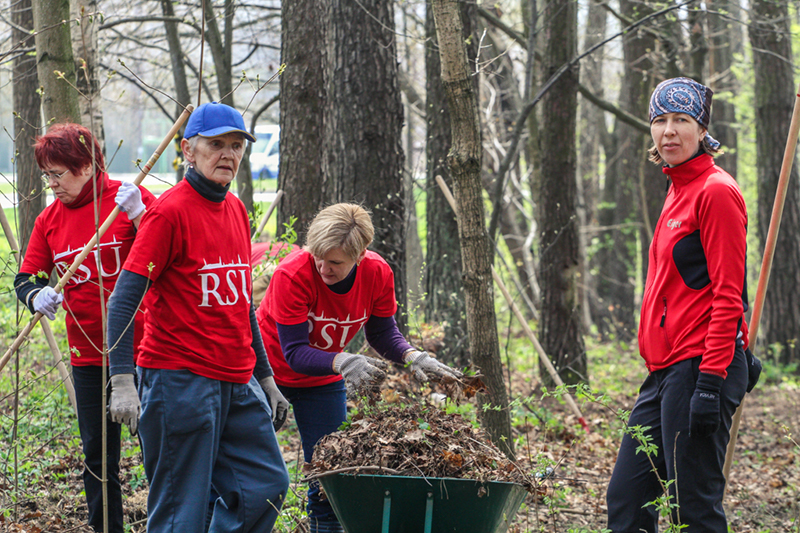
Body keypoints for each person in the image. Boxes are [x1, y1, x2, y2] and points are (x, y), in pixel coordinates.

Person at [105, 102, 290, 532]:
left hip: (237, 379)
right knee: (181, 513)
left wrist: (266, 378)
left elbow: (241, 304)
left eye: (236, 145)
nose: (228, 154)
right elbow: (123, 301)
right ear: (188, 150)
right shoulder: (168, 213)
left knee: (264, 486)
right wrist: (123, 381)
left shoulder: (236, 210)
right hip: (180, 381)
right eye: (216, 144)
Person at [606, 77, 761, 532]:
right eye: (660, 121)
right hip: (665, 372)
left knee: (693, 509)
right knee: (627, 500)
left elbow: (729, 293)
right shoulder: (677, 188)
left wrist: (711, 383)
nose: (669, 131)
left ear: (702, 129)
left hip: (700, 368)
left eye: (681, 120)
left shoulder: (715, 190)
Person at [256, 203, 463, 533]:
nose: (324, 268)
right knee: (258, 477)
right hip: (266, 375)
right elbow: (294, 352)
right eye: (318, 257)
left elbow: (381, 333)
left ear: (360, 255)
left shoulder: (377, 273)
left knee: (331, 473)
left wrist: (413, 355)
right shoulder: (292, 274)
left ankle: (326, 527)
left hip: (322, 380)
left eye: (335, 262)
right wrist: (343, 360)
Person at [14, 123, 156, 533]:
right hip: (88, 354)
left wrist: (141, 216)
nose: (52, 184)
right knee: (98, 456)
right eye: (47, 175)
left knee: (159, 450)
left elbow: (170, 253)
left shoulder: (128, 199)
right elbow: (25, 278)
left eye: (58, 174)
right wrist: (35, 295)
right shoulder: (49, 220)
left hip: (147, 349)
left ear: (89, 166)